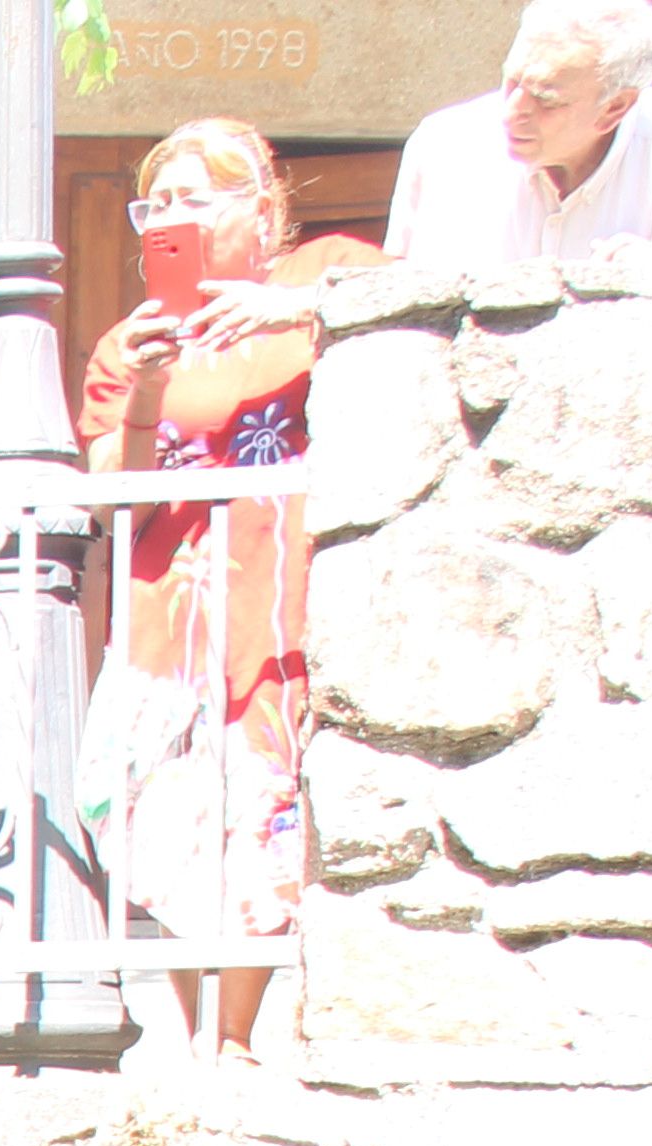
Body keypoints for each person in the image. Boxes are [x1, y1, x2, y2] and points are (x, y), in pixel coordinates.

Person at [81, 121, 384, 1067]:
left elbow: (408, 315)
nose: (171, 217)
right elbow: (110, 499)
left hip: (277, 592)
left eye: (196, 197)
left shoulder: (327, 273)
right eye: (156, 203)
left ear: (262, 206)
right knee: (166, 809)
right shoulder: (128, 344)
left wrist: (284, 312)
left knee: (256, 800)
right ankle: (199, 1030)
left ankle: (238, 1039)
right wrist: (142, 386)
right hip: (168, 608)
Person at [389, 0, 652, 383]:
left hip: (637, 420)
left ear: (615, 108)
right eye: (511, 81)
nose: (512, 112)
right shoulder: (443, 145)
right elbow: (400, 315)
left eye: (546, 100)